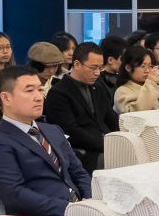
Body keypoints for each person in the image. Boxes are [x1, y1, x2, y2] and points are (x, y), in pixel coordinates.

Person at [0, 67, 90, 216]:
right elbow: (15, 195)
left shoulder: (53, 130)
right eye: (29, 91)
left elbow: (78, 172)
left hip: (82, 210)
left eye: (40, 89)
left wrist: (90, 200)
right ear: (6, 98)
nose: (39, 97)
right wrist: (72, 209)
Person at [45, 42, 118, 174]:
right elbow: (71, 131)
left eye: (100, 68)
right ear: (77, 64)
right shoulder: (58, 93)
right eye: (93, 68)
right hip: (81, 151)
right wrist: (106, 145)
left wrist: (124, 138)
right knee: (120, 160)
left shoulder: (98, 87)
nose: (97, 73)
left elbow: (110, 116)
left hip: (104, 143)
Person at [114, 43, 159, 115]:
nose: (147, 70)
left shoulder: (156, 86)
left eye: (150, 66)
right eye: (143, 66)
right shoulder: (122, 91)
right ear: (128, 68)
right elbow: (132, 115)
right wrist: (151, 84)